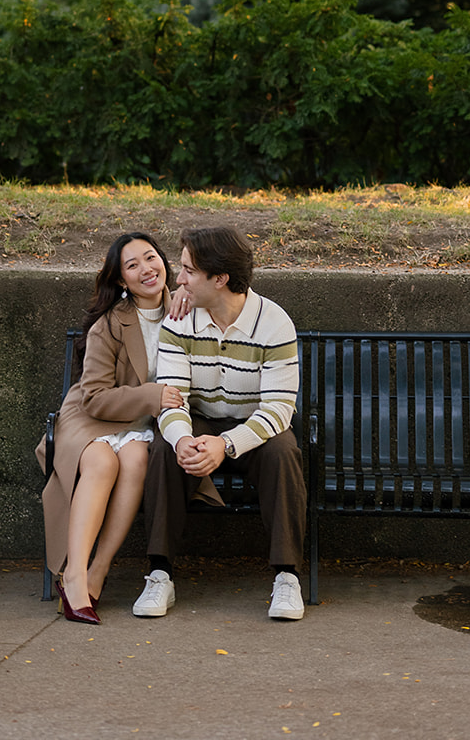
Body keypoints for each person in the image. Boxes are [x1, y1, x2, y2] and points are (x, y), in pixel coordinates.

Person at [132, 224, 307, 622]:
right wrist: (182, 440)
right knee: (162, 448)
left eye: (189, 271)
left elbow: (279, 409)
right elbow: (172, 397)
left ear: (220, 278)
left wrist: (226, 445)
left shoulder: (274, 323)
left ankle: (286, 576)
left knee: (284, 450)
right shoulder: (179, 319)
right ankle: (159, 574)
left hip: (253, 426)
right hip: (199, 422)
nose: (179, 279)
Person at [37, 232, 186, 624]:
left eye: (150, 258)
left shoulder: (185, 311)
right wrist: (152, 396)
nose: (146, 269)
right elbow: (95, 398)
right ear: (121, 281)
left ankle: (98, 570)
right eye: (132, 265)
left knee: (137, 458)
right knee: (103, 464)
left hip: (139, 426)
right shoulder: (110, 324)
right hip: (90, 418)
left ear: (164, 263)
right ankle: (73, 575)